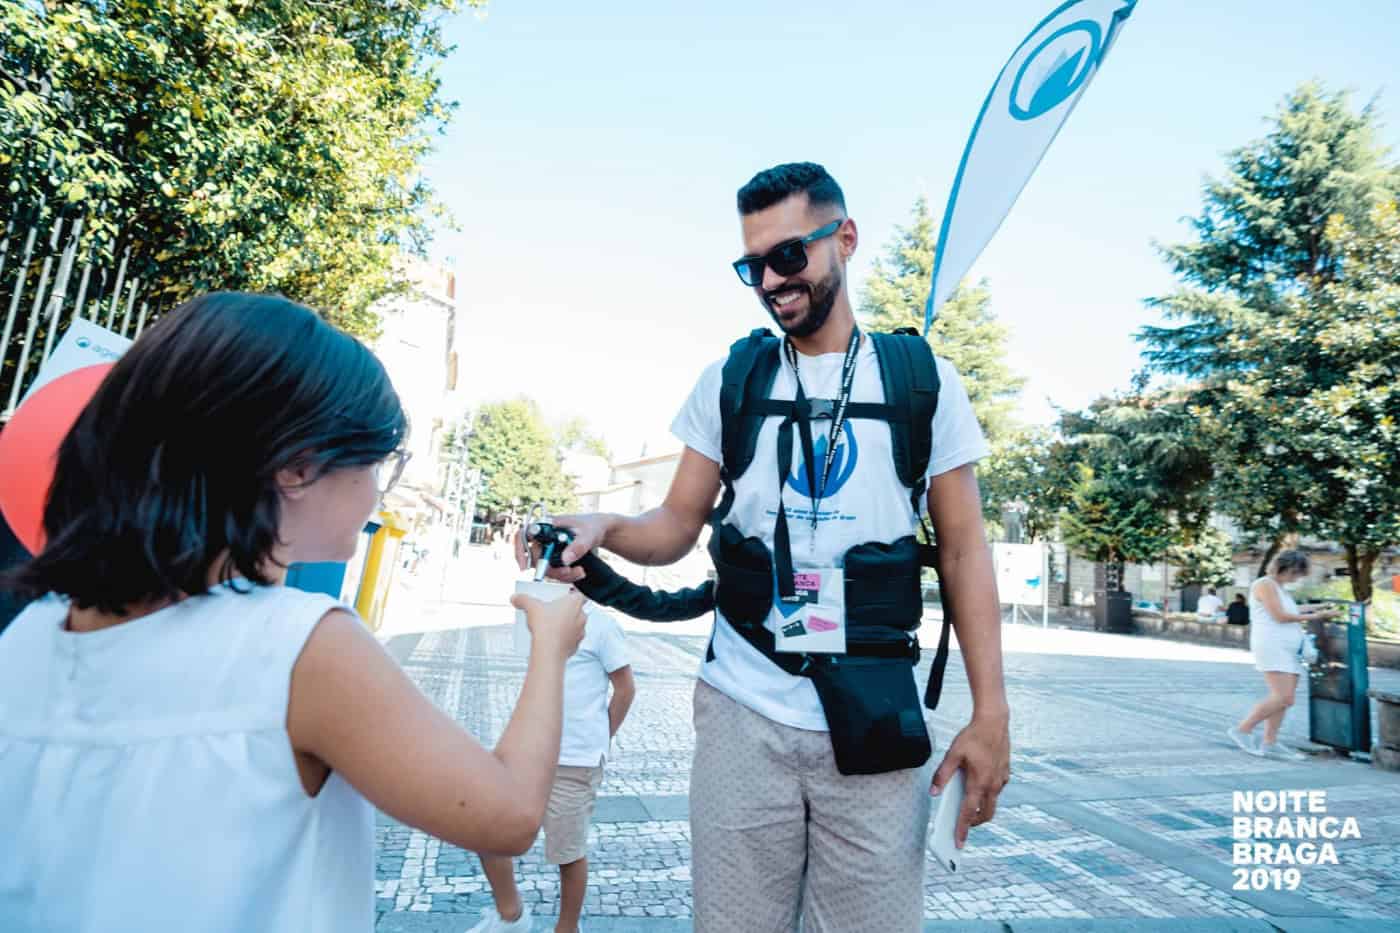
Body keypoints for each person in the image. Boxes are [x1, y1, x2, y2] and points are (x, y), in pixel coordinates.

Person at [0, 293, 589, 933]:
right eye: (378, 463)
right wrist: (550, 647)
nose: (376, 491)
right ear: (299, 468)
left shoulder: (30, 631)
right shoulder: (299, 647)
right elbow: (507, 817)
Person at [521, 163, 1010, 932]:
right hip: (743, 709)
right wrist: (604, 527)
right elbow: (676, 524)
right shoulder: (734, 378)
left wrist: (993, 711)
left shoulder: (924, 383)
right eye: (752, 266)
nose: (771, 282)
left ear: (844, 239)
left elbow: (964, 552)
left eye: (789, 256)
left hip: (877, 717)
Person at [470, 603, 636, 933]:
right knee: (485, 827)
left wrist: (600, 737)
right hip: (527, 750)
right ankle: (510, 916)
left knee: (567, 851)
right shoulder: (536, 616)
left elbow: (625, 688)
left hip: (575, 760)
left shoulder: (601, 625)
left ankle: (567, 928)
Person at [1226, 550, 1338, 760]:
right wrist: (1318, 616)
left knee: (1285, 699)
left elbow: (1293, 608)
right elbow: (1280, 616)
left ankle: (1270, 742)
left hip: (1288, 648)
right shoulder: (1264, 584)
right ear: (1282, 568)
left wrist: (1321, 606)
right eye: (1295, 573)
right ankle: (1243, 729)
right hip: (1272, 645)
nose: (1297, 578)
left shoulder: (1279, 588)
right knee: (1283, 697)